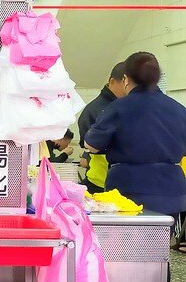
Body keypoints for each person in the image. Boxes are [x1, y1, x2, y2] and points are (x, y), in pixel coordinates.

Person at [85, 52, 186, 215]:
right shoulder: (179, 109)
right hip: (173, 193)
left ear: (126, 79)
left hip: (129, 190)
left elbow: (92, 145)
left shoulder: (118, 107)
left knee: (126, 240)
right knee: (162, 239)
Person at [78, 62, 126, 193]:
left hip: (126, 184)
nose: (129, 89)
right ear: (112, 82)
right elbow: (88, 147)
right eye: (125, 84)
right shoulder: (94, 110)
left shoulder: (129, 106)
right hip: (100, 183)